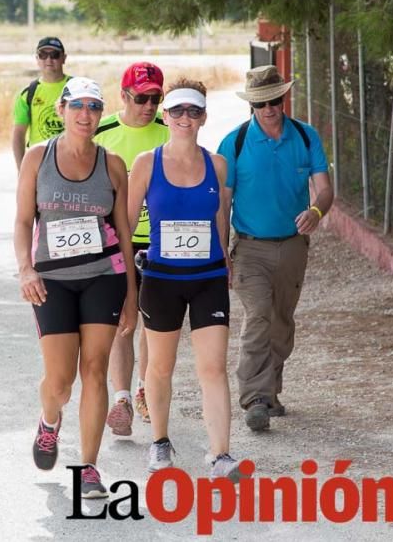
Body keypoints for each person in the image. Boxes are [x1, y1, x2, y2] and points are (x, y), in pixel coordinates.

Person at [14, 77, 136, 499]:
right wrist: (25, 269)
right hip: (52, 281)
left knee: (96, 370)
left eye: (94, 107)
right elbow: (22, 221)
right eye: (78, 106)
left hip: (104, 275)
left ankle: (88, 467)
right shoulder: (37, 157)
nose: (86, 115)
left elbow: (123, 232)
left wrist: (131, 298)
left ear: (102, 114)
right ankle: (50, 420)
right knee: (61, 381)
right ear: (63, 110)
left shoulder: (113, 163)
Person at [126, 78, 242, 482]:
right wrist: (126, 284)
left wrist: (226, 260)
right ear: (165, 114)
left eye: (193, 111)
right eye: (177, 110)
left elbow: (221, 217)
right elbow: (125, 227)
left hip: (208, 276)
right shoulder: (145, 163)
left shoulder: (218, 165)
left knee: (213, 368)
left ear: (204, 116)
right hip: (160, 279)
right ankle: (160, 440)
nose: (185, 118)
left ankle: (221, 454)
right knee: (160, 366)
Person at [216, 65, 333, 431]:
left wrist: (316, 211)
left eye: (275, 100)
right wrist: (221, 252)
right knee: (258, 316)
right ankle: (255, 398)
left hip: (294, 247)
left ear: (284, 98)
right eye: (261, 102)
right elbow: (222, 202)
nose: (269, 108)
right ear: (252, 104)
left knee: (282, 322)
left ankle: (270, 390)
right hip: (249, 249)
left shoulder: (305, 135)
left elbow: (325, 189)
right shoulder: (233, 143)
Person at [92, 61, 169, 435]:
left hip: (160, 242)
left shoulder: (170, 135)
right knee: (123, 323)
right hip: (112, 240)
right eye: (141, 98)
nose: (149, 105)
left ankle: (143, 389)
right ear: (123, 96)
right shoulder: (102, 133)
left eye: (156, 97)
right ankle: (121, 397)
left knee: (153, 323)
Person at [11, 36, 72, 168]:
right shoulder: (28, 94)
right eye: (43, 55)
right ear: (37, 59)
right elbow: (18, 134)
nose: (49, 60)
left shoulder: (76, 87)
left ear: (64, 58)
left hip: (72, 161)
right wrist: (22, 169)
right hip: (39, 164)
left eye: (54, 55)